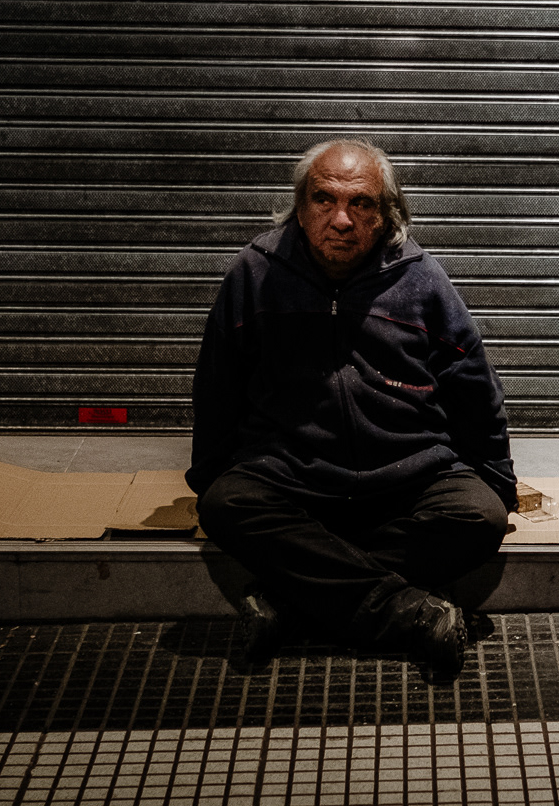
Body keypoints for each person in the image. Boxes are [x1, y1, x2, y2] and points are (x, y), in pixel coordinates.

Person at [186, 138, 516, 682]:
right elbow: (217, 385)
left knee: (479, 517)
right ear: (300, 205)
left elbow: (473, 386)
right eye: (324, 200)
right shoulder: (255, 273)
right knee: (225, 505)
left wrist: (495, 480)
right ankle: (410, 612)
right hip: (291, 475)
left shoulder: (422, 279)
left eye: (361, 203)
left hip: (409, 476)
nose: (341, 220)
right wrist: (211, 473)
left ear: (387, 213)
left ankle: (295, 601)